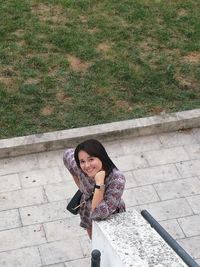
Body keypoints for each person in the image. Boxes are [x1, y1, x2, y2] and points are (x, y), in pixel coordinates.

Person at [63, 139, 126, 239]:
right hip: (87, 209)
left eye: (91, 159)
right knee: (95, 242)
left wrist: (99, 183)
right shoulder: (79, 167)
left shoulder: (117, 179)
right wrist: (81, 186)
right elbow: (67, 155)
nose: (87, 166)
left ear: (102, 157)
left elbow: (98, 213)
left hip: (109, 213)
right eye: (82, 161)